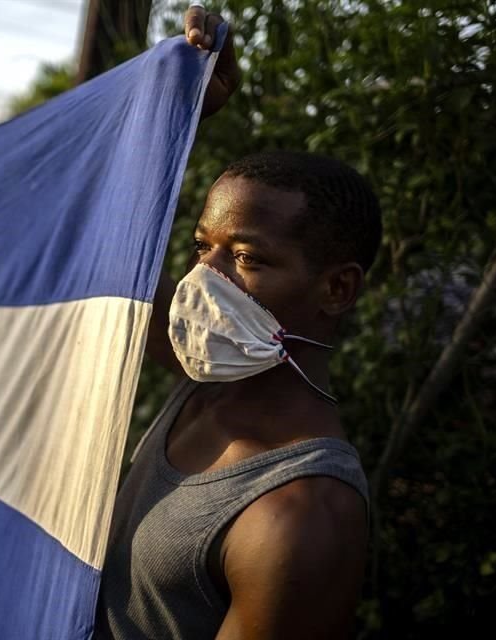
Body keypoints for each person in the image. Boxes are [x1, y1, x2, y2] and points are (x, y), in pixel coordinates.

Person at [94, 7, 378, 639]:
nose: (205, 280)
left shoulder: (299, 515)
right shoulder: (213, 377)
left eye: (246, 257)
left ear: (336, 288)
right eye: (203, 248)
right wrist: (179, 113)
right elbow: (101, 252)